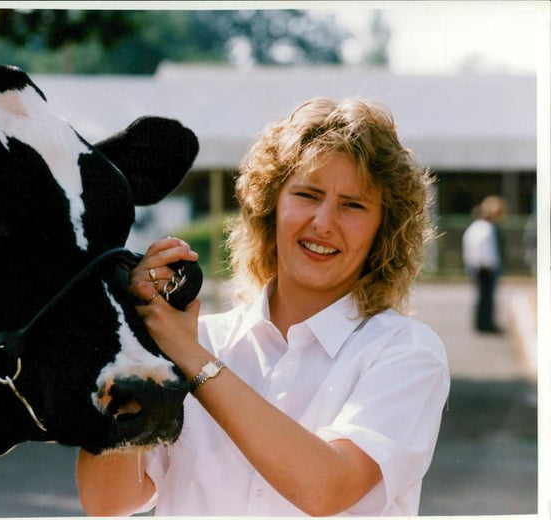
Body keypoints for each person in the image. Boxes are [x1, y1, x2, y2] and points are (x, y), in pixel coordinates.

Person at [77, 98, 450, 516]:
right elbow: (106, 502)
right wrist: (135, 343)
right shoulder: (193, 340)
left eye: (353, 204)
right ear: (270, 207)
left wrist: (192, 359)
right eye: (308, 195)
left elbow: (327, 488)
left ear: (386, 228)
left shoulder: (406, 351)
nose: (324, 222)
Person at [462, 195, 507, 333]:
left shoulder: (476, 227)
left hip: (477, 267)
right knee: (486, 298)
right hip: (485, 268)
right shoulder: (487, 229)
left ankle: (482, 323)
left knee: (483, 297)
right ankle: (486, 323)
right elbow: (488, 252)